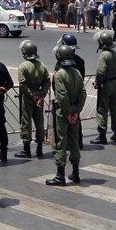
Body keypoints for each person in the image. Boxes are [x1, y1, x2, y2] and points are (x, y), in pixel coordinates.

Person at [46, 45, 86, 185]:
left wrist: (68, 112)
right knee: (74, 141)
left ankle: (60, 176)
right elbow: (83, 93)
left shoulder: (60, 74)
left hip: (63, 112)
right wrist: (76, 111)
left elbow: (62, 96)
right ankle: (75, 173)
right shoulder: (77, 72)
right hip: (74, 112)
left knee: (59, 142)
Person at [15, 40, 50, 158]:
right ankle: (39, 148)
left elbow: (23, 84)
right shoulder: (42, 65)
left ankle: (26, 149)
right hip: (39, 97)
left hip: (28, 98)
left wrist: (32, 95)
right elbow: (47, 82)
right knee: (39, 122)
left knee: (26, 122)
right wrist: (41, 95)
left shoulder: (23, 66)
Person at [91, 31, 116, 144]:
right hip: (115, 83)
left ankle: (102, 135)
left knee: (102, 109)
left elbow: (100, 72)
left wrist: (97, 82)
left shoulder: (104, 55)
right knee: (114, 109)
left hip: (106, 85)